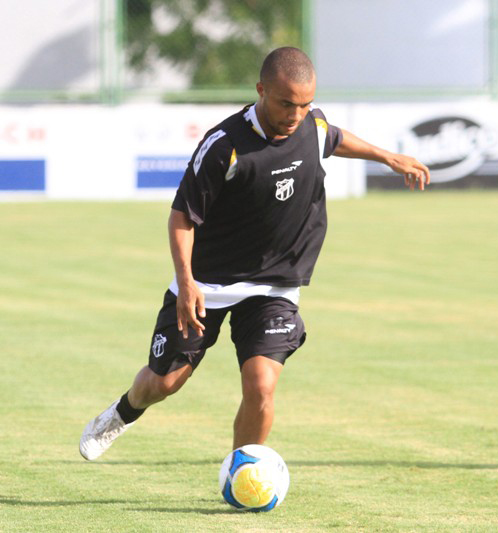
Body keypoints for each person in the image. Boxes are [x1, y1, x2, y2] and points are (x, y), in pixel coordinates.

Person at [79, 47, 430, 460]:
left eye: (305, 104)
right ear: (261, 90)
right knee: (164, 383)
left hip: (274, 284)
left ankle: (244, 472)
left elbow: (331, 137)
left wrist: (387, 156)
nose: (296, 114)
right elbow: (181, 218)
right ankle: (123, 412)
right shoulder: (224, 146)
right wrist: (187, 281)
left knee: (261, 385)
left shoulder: (311, 124)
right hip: (207, 282)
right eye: (285, 103)